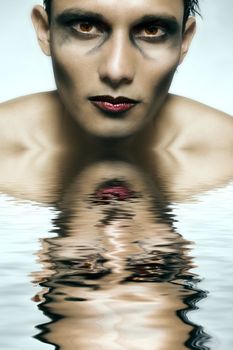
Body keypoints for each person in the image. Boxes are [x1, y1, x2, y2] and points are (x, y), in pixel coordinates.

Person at [0, 0, 232, 152]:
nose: (116, 70)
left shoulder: (225, 151)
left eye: (151, 31)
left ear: (184, 41)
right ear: (45, 31)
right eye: (85, 27)